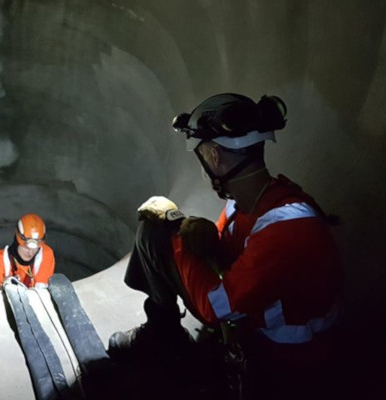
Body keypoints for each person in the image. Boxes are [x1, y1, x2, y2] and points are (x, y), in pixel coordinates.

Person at [108, 93, 343, 398]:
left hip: (283, 363)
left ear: (215, 156)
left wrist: (174, 226)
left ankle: (186, 355)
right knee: (155, 231)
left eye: (203, 153)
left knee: (158, 230)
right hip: (254, 326)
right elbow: (226, 260)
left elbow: (215, 308)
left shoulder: (287, 228)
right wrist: (199, 234)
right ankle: (164, 334)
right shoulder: (249, 201)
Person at [0, 213, 56, 289]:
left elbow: (42, 291)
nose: (30, 253)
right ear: (17, 241)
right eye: (26, 248)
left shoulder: (45, 255)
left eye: (34, 249)